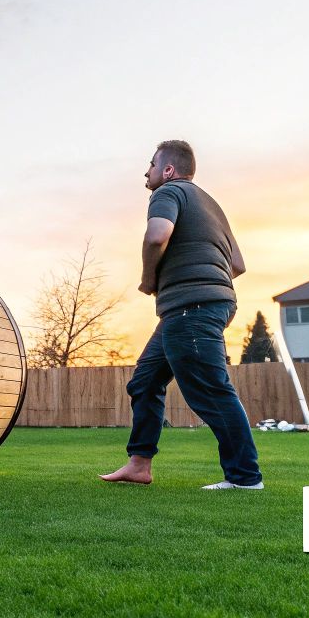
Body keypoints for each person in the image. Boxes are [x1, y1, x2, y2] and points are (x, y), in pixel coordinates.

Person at [99, 140, 264, 490]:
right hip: (201, 305)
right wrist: (204, 281)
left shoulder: (167, 192)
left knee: (211, 390)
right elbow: (237, 265)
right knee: (145, 381)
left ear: (169, 170)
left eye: (152, 165)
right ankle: (139, 465)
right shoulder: (212, 204)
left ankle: (245, 478)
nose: (147, 172)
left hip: (192, 308)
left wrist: (149, 279)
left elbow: (157, 235)